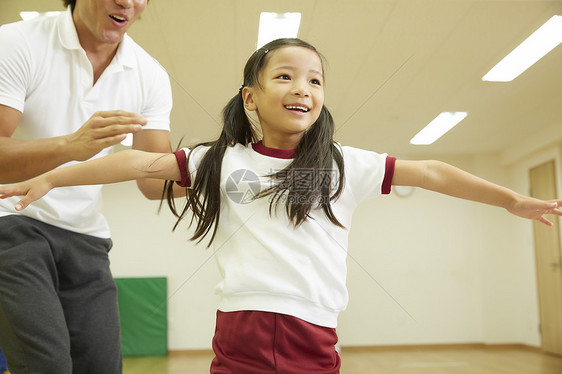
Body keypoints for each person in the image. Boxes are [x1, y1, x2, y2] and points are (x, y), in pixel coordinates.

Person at [1, 38, 560, 374]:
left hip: (317, 331)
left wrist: (510, 199)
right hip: (244, 324)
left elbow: (433, 171)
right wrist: (52, 176)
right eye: (286, 76)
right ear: (251, 97)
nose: (304, 88)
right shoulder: (222, 160)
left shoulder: (343, 163)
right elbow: (130, 164)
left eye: (315, 80)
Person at [0, 0, 176, 372]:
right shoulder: (17, 42)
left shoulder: (150, 74)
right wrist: (69, 146)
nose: (126, 2)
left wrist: (222, 176)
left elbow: (152, 178)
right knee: (47, 365)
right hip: (10, 222)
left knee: (101, 366)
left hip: (86, 236)